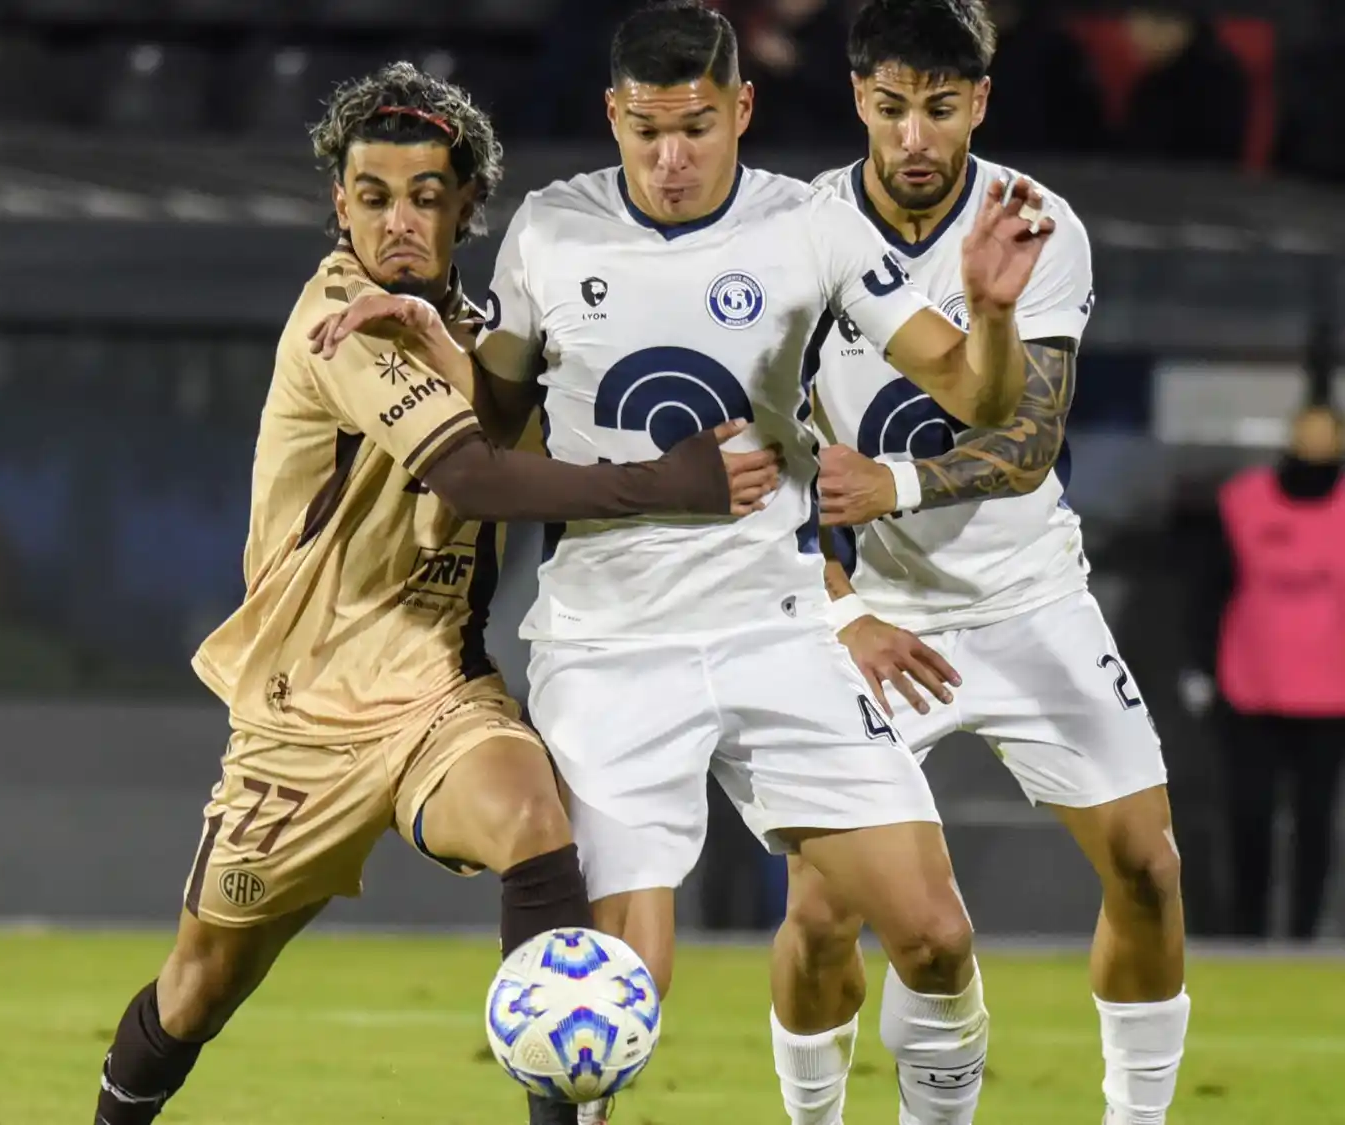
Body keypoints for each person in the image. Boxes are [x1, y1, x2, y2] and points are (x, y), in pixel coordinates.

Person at [318, 4, 1053, 1123]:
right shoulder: (552, 233)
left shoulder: (812, 225)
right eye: (647, 129)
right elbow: (498, 423)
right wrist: (439, 345)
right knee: (617, 994)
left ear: (741, 109)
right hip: (611, 650)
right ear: (612, 115)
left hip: (781, 632)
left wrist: (993, 315)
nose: (670, 158)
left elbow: (977, 395)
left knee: (938, 938)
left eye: (698, 128)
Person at [89, 62, 785, 1125]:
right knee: (200, 985)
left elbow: (548, 438)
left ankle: (562, 1111)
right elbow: (473, 475)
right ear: (340, 204)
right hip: (300, 716)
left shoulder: (486, 329)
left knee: (532, 818)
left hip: (434, 693)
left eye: (425, 197)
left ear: (467, 205)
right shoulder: (340, 317)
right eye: (373, 196)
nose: (398, 220)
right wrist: (677, 481)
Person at [776, 3, 1190, 1124]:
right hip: (872, 611)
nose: (916, 136)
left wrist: (896, 486)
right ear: (861, 96)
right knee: (820, 910)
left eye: (942, 109)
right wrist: (838, 608)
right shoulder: (796, 235)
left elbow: (1027, 440)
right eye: (894, 107)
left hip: (1030, 600)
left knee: (1149, 870)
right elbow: (763, 468)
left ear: (981, 105)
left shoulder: (1035, 223)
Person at [1206, 400, 1345, 940]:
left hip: (1330, 696)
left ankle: (1304, 937)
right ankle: (1248, 934)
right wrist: (1200, 668)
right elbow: (1210, 587)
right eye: (1304, 433)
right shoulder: (1243, 501)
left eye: (1323, 435)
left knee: (1315, 823)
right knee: (1249, 818)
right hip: (1251, 688)